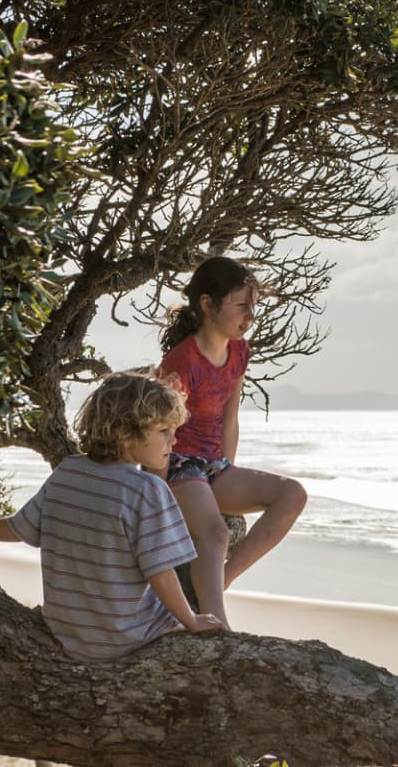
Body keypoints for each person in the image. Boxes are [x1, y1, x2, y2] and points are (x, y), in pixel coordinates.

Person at [0, 371, 225, 659]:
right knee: (180, 609)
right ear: (126, 434)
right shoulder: (146, 489)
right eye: (164, 431)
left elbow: (19, 529)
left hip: (70, 635)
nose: (173, 441)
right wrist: (191, 620)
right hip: (127, 637)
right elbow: (160, 572)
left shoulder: (67, 471)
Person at [157, 256, 307, 619]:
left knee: (292, 494)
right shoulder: (182, 361)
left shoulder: (239, 351)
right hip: (176, 465)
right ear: (208, 304)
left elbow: (230, 418)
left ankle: (218, 584)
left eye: (252, 306)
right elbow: (158, 431)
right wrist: (157, 496)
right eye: (241, 305)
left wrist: (227, 472)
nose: (250, 315)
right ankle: (216, 623)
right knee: (215, 533)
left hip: (214, 467)